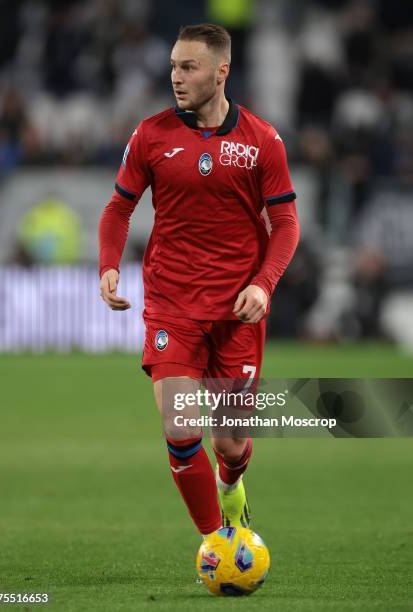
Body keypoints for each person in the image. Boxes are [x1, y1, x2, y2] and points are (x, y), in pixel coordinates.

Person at [98, 23, 299, 537]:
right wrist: (109, 264)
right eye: (173, 66)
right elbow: (119, 209)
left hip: (237, 311)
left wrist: (264, 283)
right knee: (180, 426)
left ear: (221, 72)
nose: (176, 77)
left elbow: (286, 224)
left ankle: (231, 486)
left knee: (230, 445)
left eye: (188, 67)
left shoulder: (262, 141)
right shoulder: (151, 134)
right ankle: (217, 540)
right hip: (172, 304)